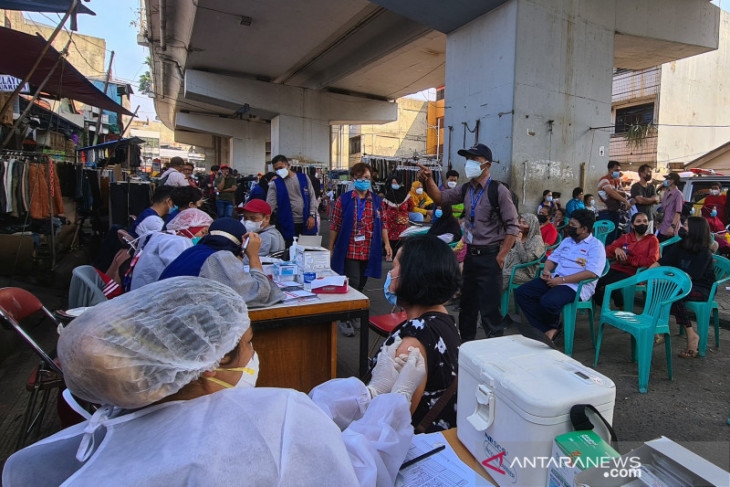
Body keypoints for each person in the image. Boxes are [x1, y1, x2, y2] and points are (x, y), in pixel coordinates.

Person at [2, 277, 426, 486]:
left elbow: (292, 428)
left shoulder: (100, 437)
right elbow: (355, 472)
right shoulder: (278, 419)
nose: (253, 355)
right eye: (247, 344)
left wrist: (365, 394)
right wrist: (394, 403)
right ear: (210, 362)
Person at [417, 143, 519, 341]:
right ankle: (464, 351)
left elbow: (513, 226)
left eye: (475, 160)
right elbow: (439, 198)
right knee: (467, 309)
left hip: (490, 257)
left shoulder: (498, 191)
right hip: (471, 256)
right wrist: (429, 181)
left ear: (487, 165)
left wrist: (501, 255)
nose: (469, 164)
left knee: (490, 312)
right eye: (468, 160)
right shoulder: (466, 189)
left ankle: (493, 356)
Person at [381, 235, 461, 432]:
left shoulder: (412, 343)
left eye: (396, 266)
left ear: (414, 275)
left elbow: (389, 428)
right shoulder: (444, 319)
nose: (390, 272)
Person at [514, 210, 606, 344]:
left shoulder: (596, 246)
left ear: (584, 229)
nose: (569, 226)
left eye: (573, 225)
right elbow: (552, 259)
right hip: (556, 278)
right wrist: (546, 270)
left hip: (575, 286)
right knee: (523, 293)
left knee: (548, 302)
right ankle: (547, 329)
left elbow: (591, 273)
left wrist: (562, 280)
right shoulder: (568, 241)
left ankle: (550, 329)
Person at [159, 217, 283, 308]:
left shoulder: (194, 250)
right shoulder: (219, 258)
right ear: (241, 245)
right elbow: (260, 293)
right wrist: (253, 255)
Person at [330, 163, 392, 336]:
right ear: (353, 179)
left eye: (367, 178)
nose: (364, 181)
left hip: (369, 248)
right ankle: (344, 318)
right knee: (353, 281)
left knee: (362, 283)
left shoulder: (377, 202)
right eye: (360, 178)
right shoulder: (344, 200)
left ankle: (354, 313)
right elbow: (335, 224)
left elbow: (384, 224)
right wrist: (331, 247)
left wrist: (386, 244)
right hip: (349, 247)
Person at [651, 217, 715, 358]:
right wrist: (648, 275)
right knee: (658, 291)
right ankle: (656, 331)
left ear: (695, 230)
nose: (682, 227)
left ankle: (691, 335)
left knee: (672, 295)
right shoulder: (681, 245)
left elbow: (689, 277)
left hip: (700, 288)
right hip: (680, 284)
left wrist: (667, 281)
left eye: (686, 225)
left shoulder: (704, 253)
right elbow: (662, 262)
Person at [130, 208, 213, 290]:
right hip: (152, 292)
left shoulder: (162, 235)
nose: (204, 237)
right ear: (189, 227)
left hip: (142, 289)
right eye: (203, 232)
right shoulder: (178, 242)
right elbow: (181, 275)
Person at [595, 212, 659, 308]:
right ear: (632, 225)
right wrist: (616, 249)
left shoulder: (652, 240)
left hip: (635, 272)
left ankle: (621, 306)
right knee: (594, 282)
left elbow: (651, 261)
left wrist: (629, 260)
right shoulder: (626, 237)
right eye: (639, 221)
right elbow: (608, 250)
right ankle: (604, 305)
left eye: (645, 221)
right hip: (618, 267)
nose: (642, 224)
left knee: (610, 285)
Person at [267, 154, 319, 248]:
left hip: (307, 221)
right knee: (288, 251)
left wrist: (312, 215)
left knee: (308, 250)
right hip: (286, 223)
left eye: (281, 167)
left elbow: (312, 197)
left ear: (288, 165)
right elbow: (270, 205)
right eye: (276, 169)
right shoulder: (274, 184)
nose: (279, 171)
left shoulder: (304, 178)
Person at [502, 213, 545, 289]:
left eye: (524, 223)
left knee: (502, 276)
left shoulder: (536, 240)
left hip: (525, 272)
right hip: (510, 266)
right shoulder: (520, 235)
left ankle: (494, 298)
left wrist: (518, 242)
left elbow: (526, 259)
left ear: (531, 225)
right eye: (520, 222)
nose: (520, 225)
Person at [597, 160, 631, 245]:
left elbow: (622, 192)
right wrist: (624, 200)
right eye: (616, 170)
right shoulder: (604, 180)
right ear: (609, 169)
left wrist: (618, 192)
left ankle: (609, 254)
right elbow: (611, 192)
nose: (617, 172)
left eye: (619, 170)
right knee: (605, 235)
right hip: (605, 212)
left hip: (615, 211)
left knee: (613, 236)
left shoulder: (617, 181)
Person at [382, 174, 414, 253]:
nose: (394, 184)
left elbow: (411, 207)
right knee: (390, 239)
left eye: (396, 183)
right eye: (393, 183)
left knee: (402, 237)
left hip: (402, 222)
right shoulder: (388, 196)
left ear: (400, 184)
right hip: (390, 223)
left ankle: (399, 253)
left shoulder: (406, 196)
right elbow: (383, 208)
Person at [630, 164, 660, 234]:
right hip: (639, 221)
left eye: (651, 172)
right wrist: (652, 200)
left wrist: (643, 200)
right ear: (641, 173)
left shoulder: (651, 187)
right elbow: (640, 200)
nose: (650, 174)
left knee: (649, 240)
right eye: (648, 172)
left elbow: (657, 200)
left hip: (650, 219)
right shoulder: (636, 187)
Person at [656, 172, 684, 243]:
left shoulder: (678, 194)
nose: (666, 181)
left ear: (672, 181)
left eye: (667, 179)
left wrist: (672, 227)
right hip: (662, 226)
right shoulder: (666, 192)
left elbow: (678, 212)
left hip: (670, 227)